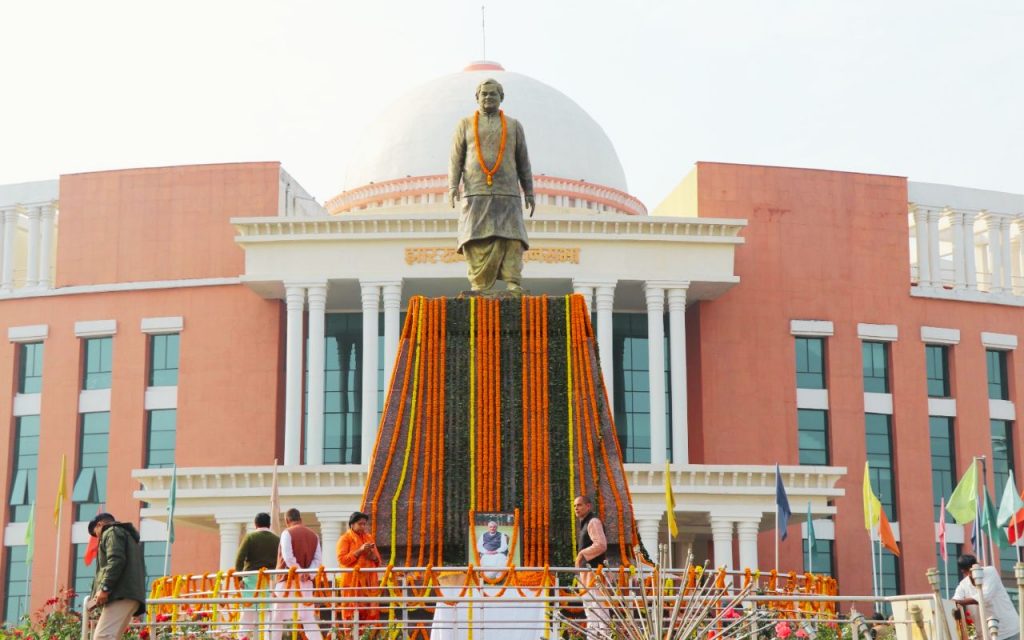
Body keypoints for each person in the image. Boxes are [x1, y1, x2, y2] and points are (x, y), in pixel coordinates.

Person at [448, 77, 535, 295]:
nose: (488, 97)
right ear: (477, 97)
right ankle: (479, 285)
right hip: (475, 191)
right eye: (484, 94)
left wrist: (529, 191)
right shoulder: (465, 124)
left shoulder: (514, 126)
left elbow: (523, 161)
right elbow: (456, 158)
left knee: (513, 237)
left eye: (493, 94)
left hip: (508, 192)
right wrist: (452, 186)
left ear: (501, 97)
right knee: (475, 238)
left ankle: (513, 283)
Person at [86, 512, 146, 640]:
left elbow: (116, 561)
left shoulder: (111, 532)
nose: (97, 537)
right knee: (111, 636)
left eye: (95, 533)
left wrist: (105, 588)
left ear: (99, 524)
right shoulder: (127, 536)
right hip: (129, 594)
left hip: (121, 594)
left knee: (103, 637)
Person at [270, 509, 324, 640]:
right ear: (300, 519)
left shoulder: (287, 533)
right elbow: (318, 560)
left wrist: (299, 572)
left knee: (276, 617)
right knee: (308, 618)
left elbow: (288, 558)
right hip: (306, 583)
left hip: (287, 581)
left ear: (287, 521)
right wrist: (308, 573)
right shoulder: (314, 535)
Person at [952, 554, 1020, 640]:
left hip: (1008, 630)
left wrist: (960, 602)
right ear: (964, 571)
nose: (974, 571)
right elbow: (955, 600)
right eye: (970, 569)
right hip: (985, 635)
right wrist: (954, 603)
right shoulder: (963, 585)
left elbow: (984, 596)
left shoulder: (990, 572)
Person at [336, 511, 382, 634]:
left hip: (368, 584)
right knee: (352, 614)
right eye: (360, 524)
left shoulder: (368, 537)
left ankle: (368, 635)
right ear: (352, 524)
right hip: (351, 584)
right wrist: (359, 551)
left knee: (369, 614)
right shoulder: (344, 539)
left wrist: (372, 555)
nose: (363, 527)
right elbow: (342, 560)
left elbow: (378, 561)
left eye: (364, 524)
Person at [234, 512, 280, 635]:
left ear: (255, 524)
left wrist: (239, 580)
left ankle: (242, 637)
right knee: (267, 616)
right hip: (269, 580)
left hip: (251, 580)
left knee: (247, 615)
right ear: (269, 524)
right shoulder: (277, 539)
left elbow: (239, 559)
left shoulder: (250, 537)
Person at [573, 495, 608, 639]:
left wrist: (582, 554)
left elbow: (601, 544)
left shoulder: (593, 521)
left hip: (595, 574)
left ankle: (604, 637)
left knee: (599, 610)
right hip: (587, 574)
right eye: (575, 506)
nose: (576, 508)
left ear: (588, 506)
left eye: (579, 505)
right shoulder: (584, 523)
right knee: (590, 611)